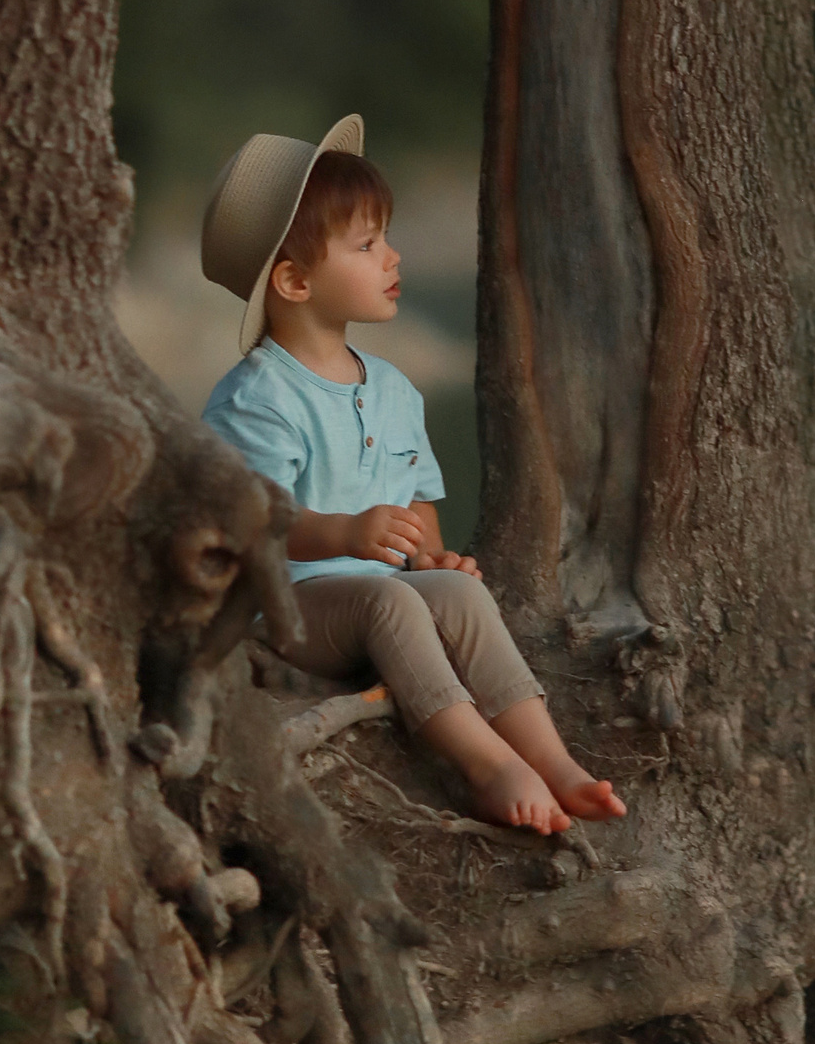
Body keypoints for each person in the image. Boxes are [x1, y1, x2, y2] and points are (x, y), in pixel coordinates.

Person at [198, 115, 626, 834]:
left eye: (385, 237)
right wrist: (344, 531)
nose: (393, 256)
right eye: (367, 245)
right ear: (296, 280)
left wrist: (426, 554)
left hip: (378, 586)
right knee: (387, 604)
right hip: (289, 606)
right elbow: (249, 521)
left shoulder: (393, 388)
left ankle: (553, 759)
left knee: (455, 590)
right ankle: (486, 764)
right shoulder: (258, 396)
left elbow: (415, 503)